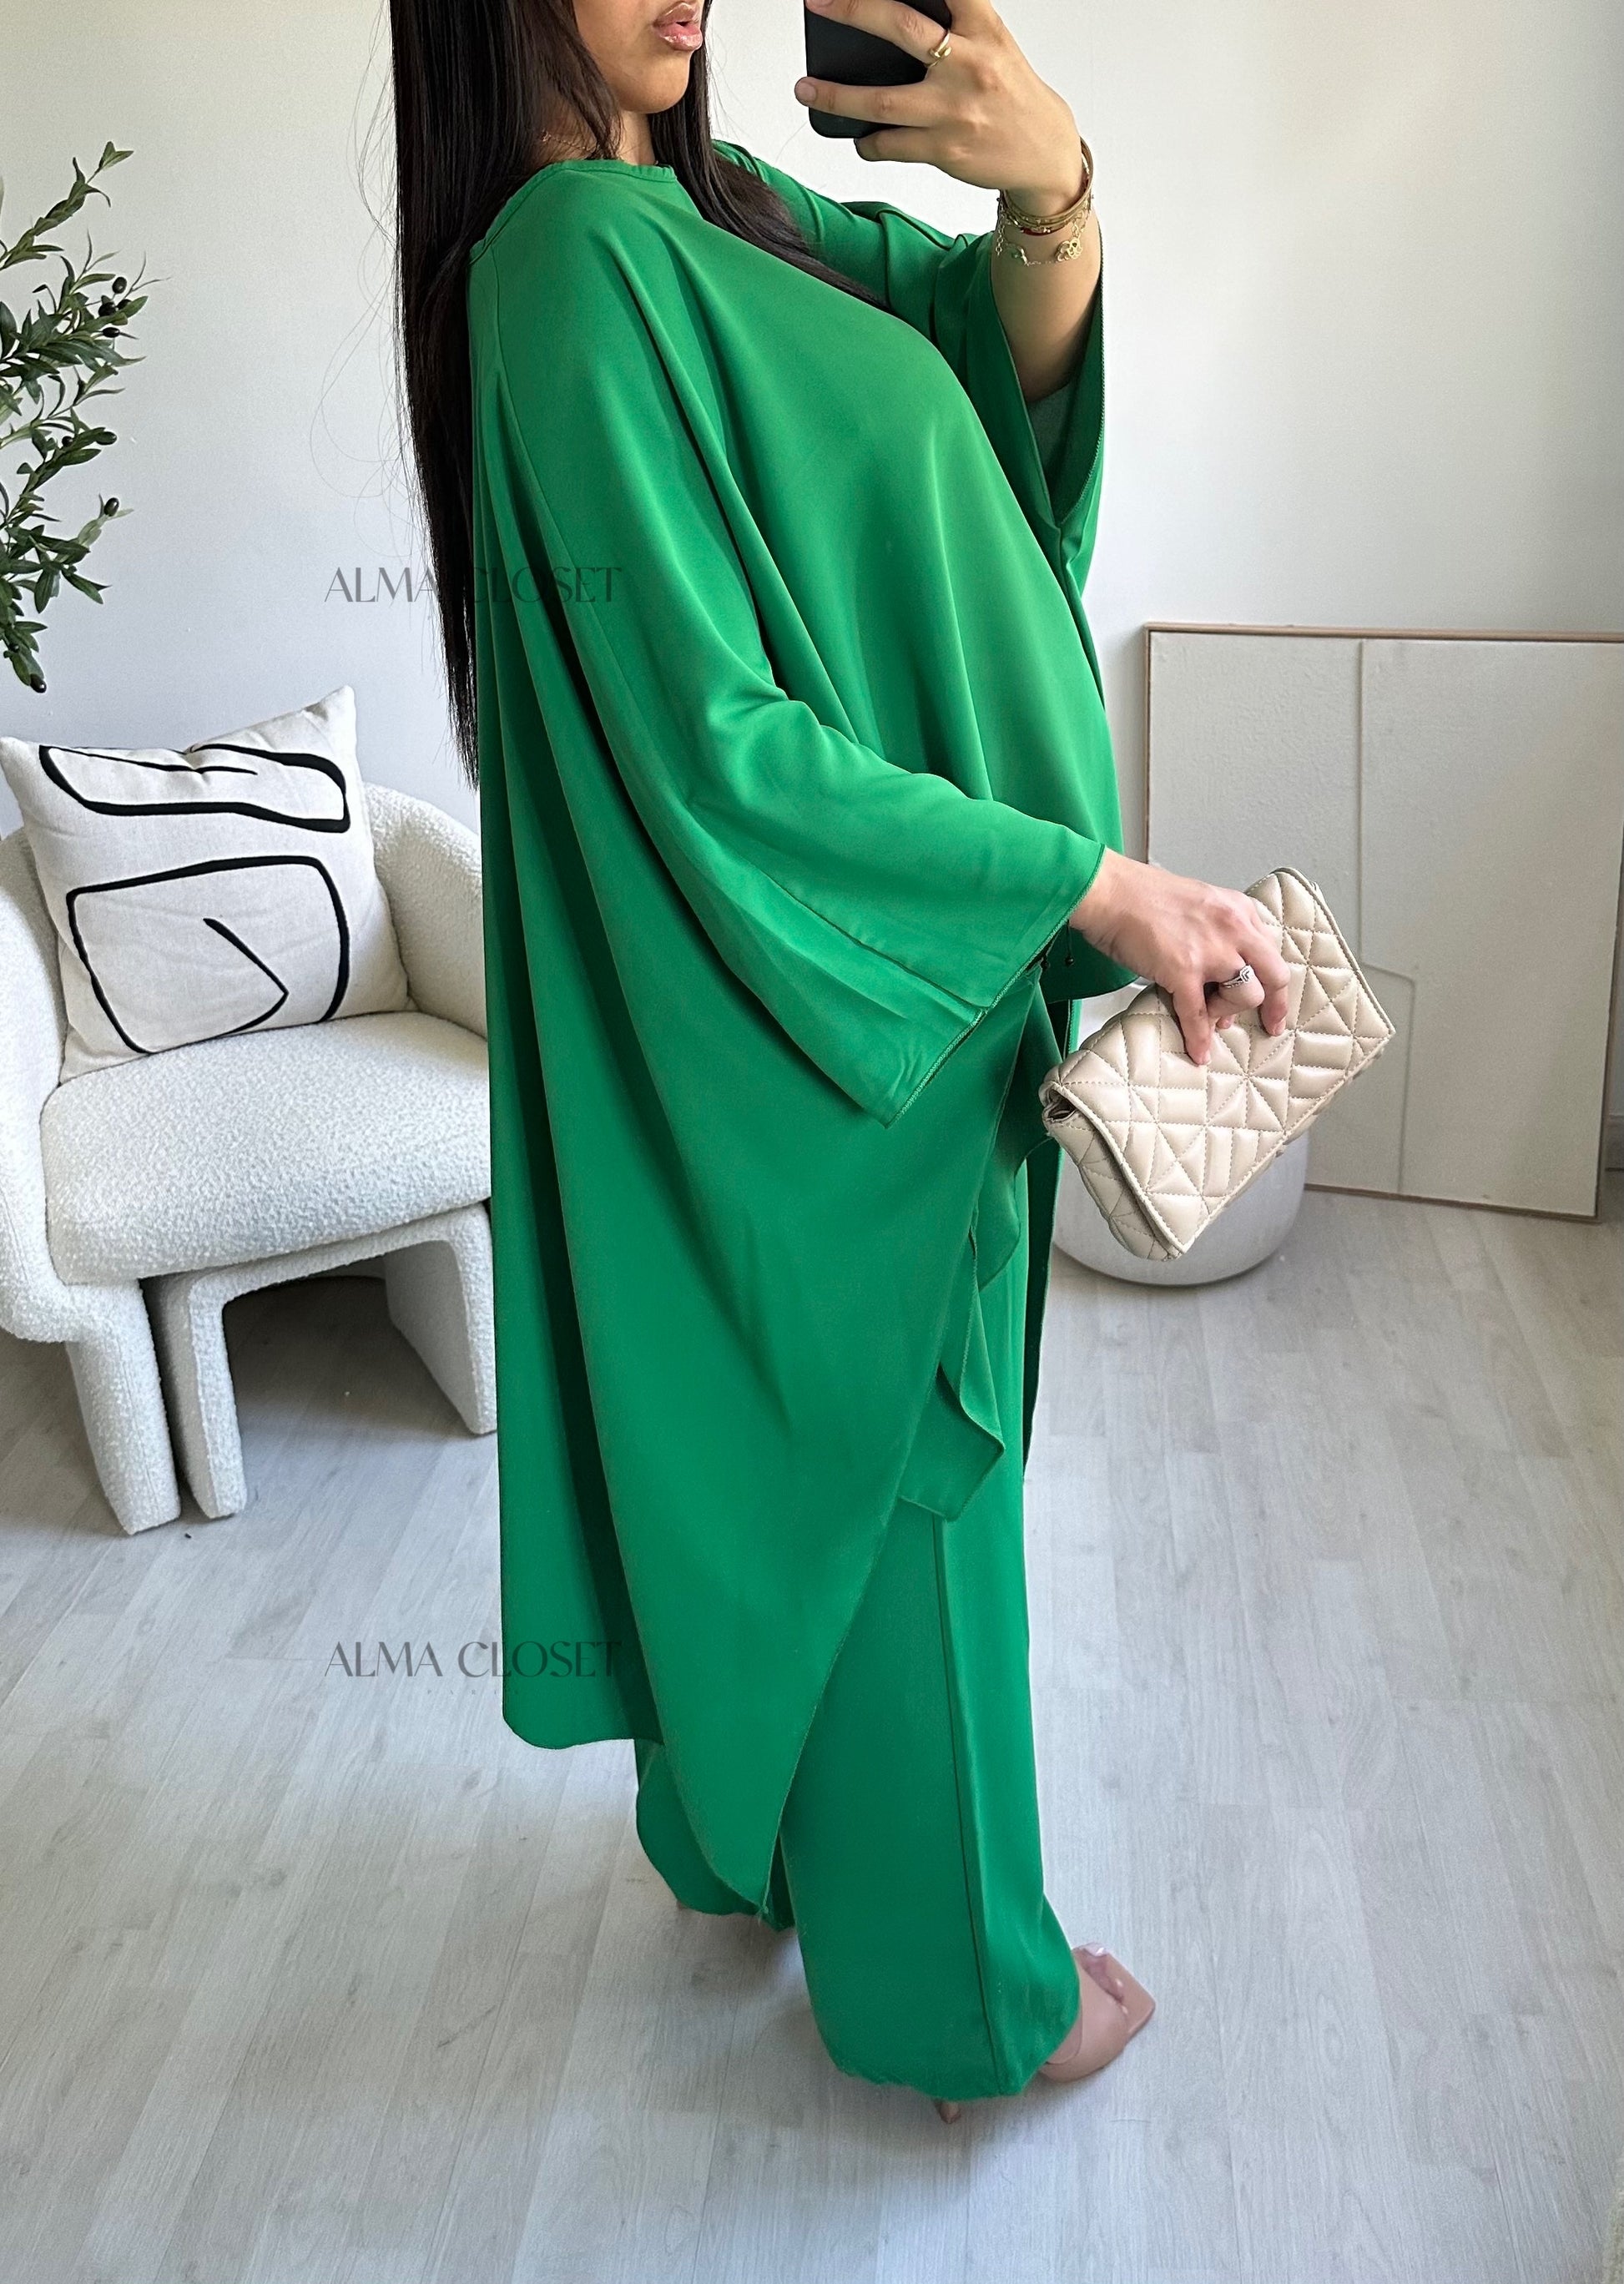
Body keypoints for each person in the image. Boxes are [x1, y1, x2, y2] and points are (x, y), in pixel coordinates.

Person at [386, 0, 1290, 2120]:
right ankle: (966, 1997)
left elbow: (983, 369)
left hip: (909, 969)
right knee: (901, 1474)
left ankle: (780, 1843)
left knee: (833, 1466)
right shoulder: (568, 261)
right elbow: (715, 744)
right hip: (833, 1002)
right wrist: (1094, 886)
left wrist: (1051, 193)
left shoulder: (730, 217)